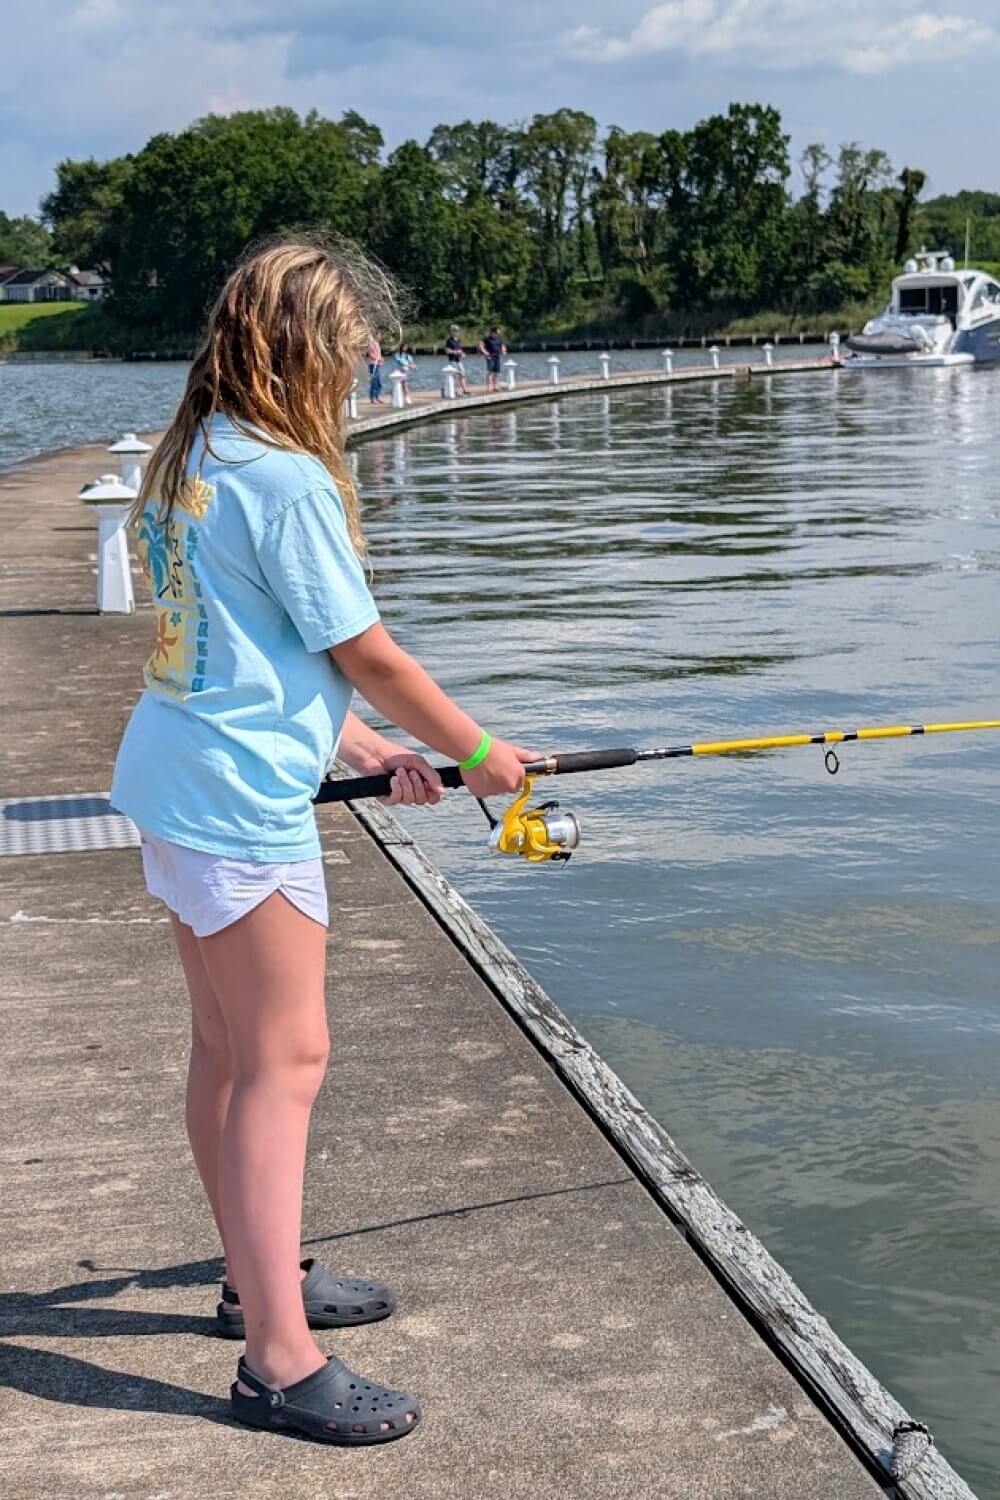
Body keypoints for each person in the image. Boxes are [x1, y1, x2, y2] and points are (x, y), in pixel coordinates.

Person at [110, 236, 535, 1447]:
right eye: (355, 345)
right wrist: (484, 753)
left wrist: (357, 748)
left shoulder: (193, 453)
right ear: (301, 348)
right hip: (237, 805)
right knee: (284, 1062)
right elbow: (368, 652)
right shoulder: (287, 479)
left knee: (227, 1049)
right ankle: (278, 1361)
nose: (370, 363)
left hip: (180, 773)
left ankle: (260, 1280)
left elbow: (243, 650)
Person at [478, 326, 506, 394]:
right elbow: (481, 346)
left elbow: (502, 345)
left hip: (497, 356)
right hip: (490, 357)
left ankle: (495, 387)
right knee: (490, 372)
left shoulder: (499, 338)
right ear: (493, 332)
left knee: (496, 372)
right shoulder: (487, 339)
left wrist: (503, 350)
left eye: (498, 333)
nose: (498, 334)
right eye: (497, 332)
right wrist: (485, 352)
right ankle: (488, 388)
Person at [444, 323, 469, 395]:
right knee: (455, 376)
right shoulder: (449, 341)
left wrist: (462, 353)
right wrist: (455, 352)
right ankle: (455, 391)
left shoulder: (458, 340)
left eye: (457, 331)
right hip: (452, 361)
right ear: (452, 331)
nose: (457, 332)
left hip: (458, 360)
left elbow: (460, 350)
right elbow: (447, 350)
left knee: (463, 374)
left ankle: (465, 390)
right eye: (455, 331)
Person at [366, 335, 383, 403]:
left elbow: (378, 354)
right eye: (379, 336)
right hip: (373, 364)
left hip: (377, 364)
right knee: (374, 382)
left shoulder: (377, 344)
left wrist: (381, 359)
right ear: (375, 336)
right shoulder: (372, 344)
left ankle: (377, 396)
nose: (380, 337)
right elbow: (370, 354)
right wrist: (378, 359)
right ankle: (372, 398)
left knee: (378, 382)